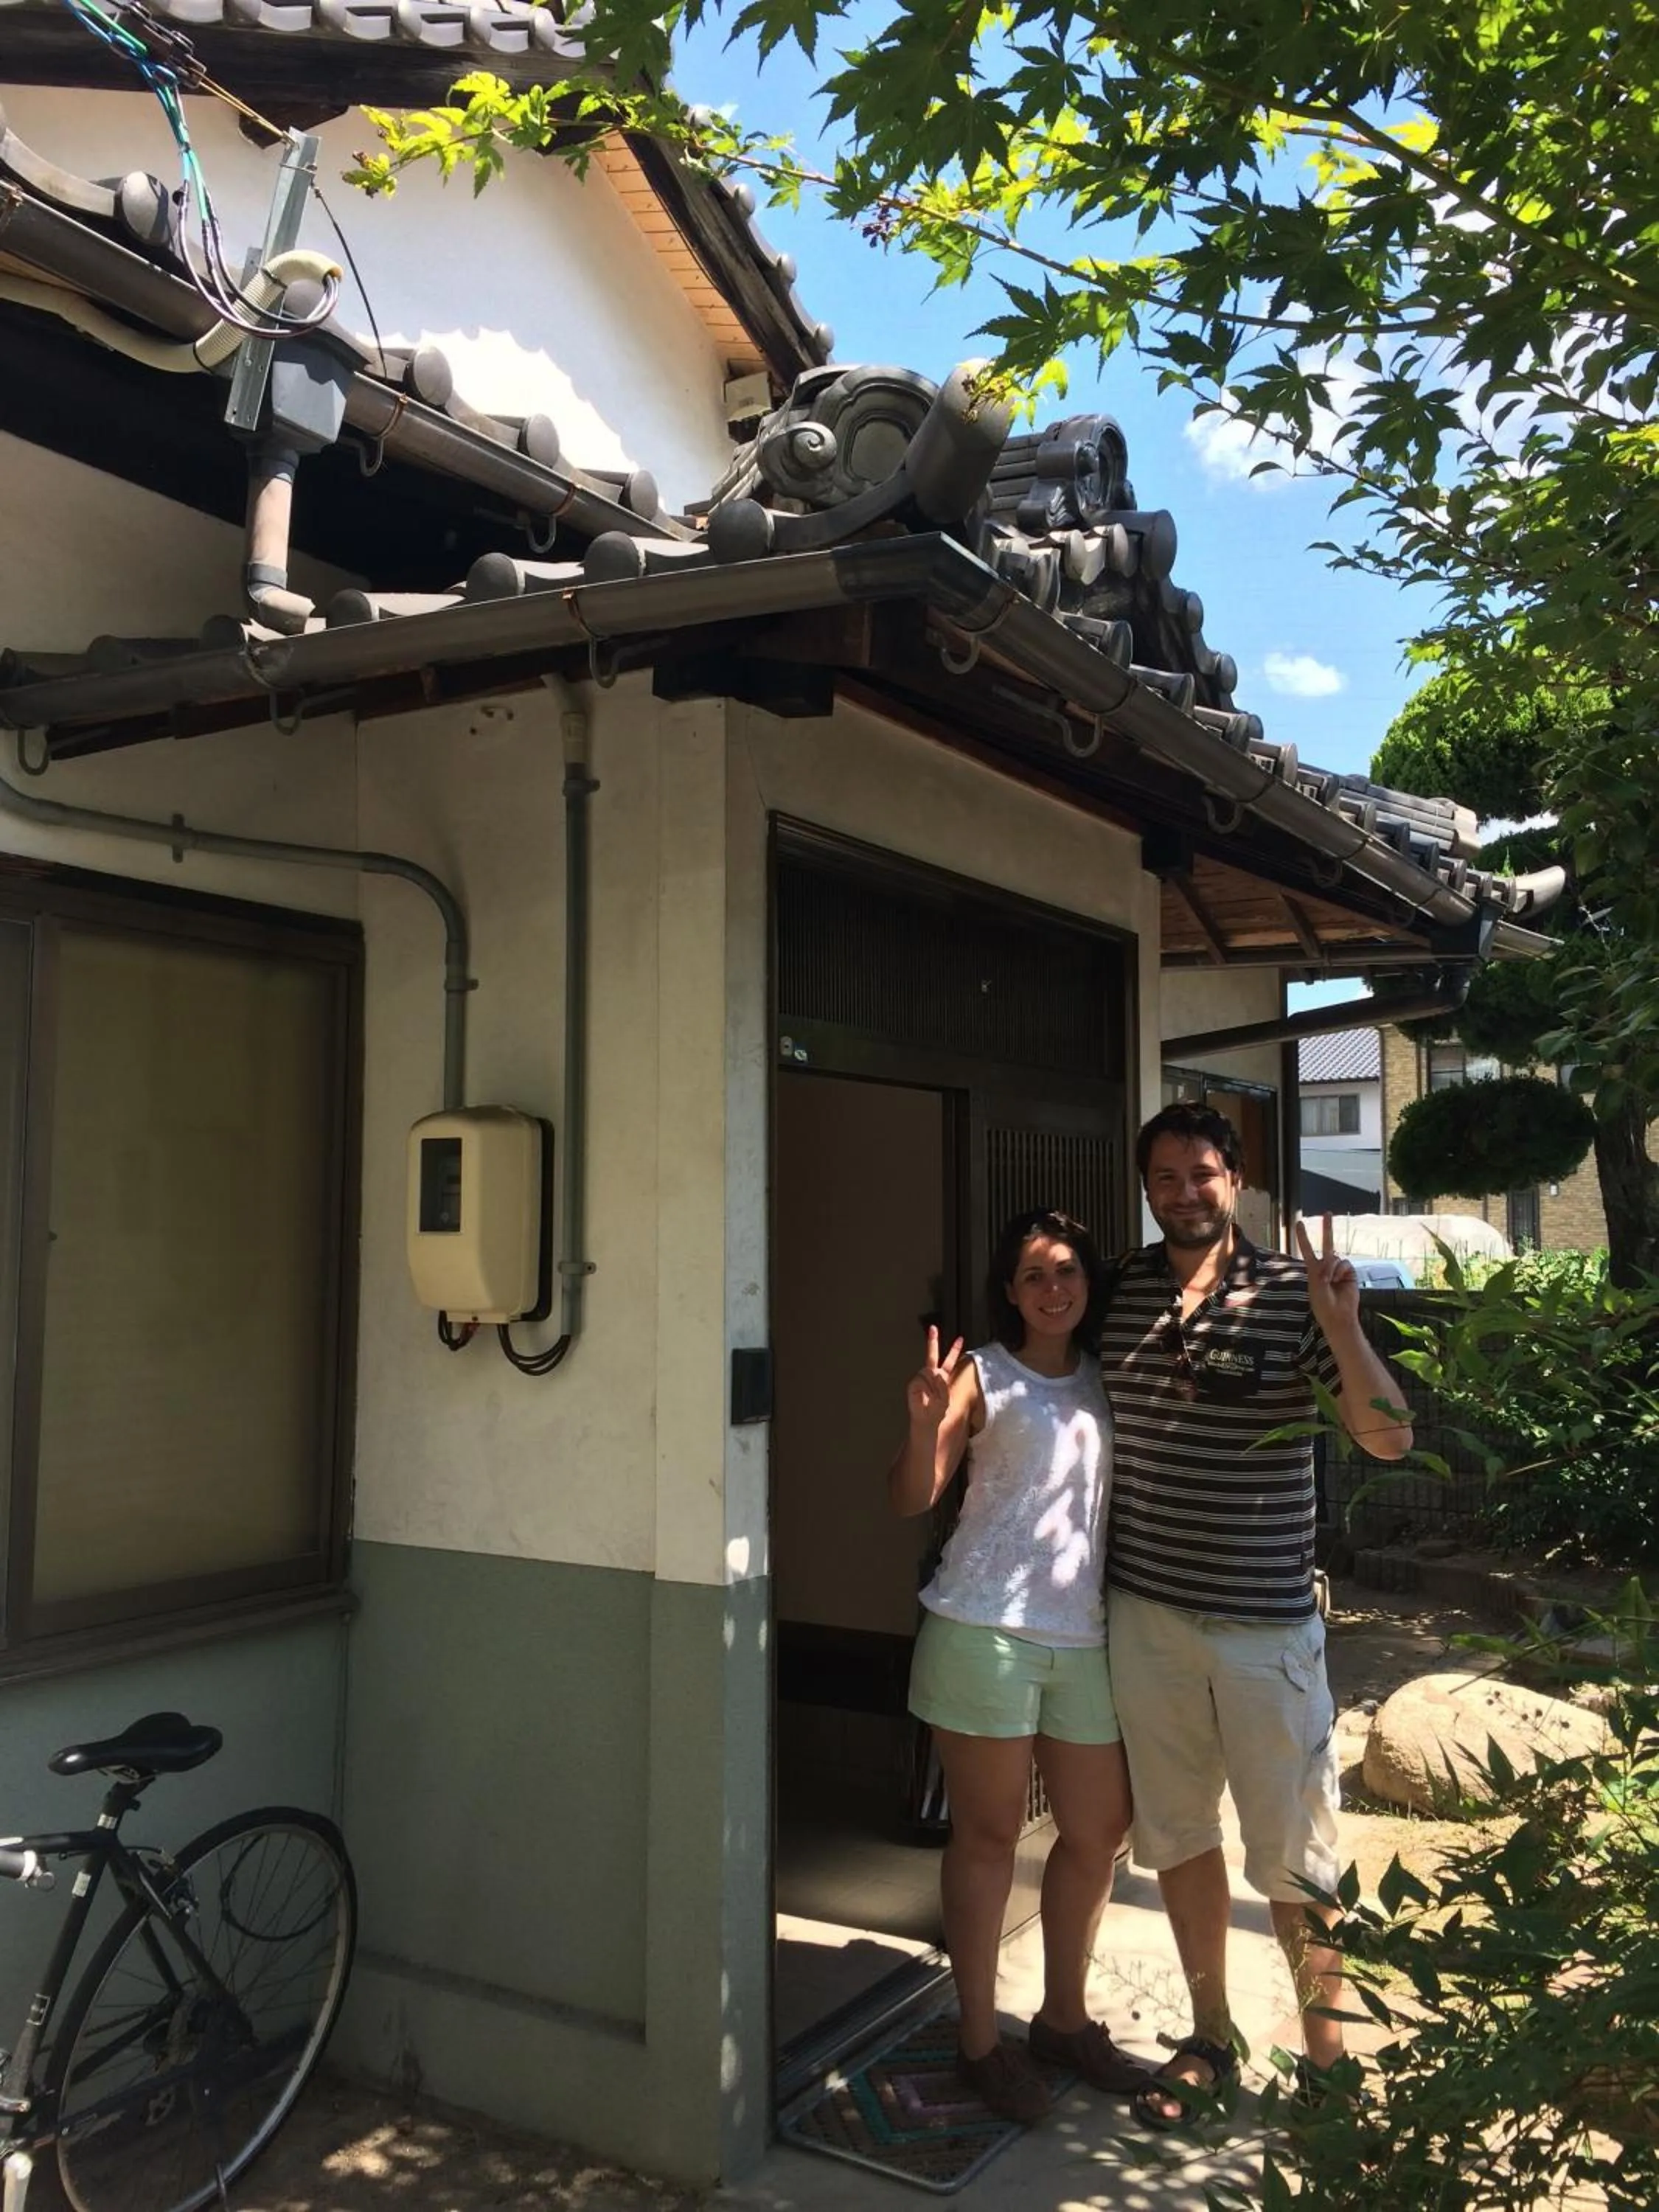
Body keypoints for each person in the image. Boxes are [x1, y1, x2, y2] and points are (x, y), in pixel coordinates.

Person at [1098, 1104, 1413, 2129]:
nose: (1182, 1192)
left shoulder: (1292, 1292)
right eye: (1164, 1176)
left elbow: (1390, 1440)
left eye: (1201, 1173)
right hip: (1145, 1615)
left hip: (1264, 1626)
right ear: (1146, 1186)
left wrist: (1342, 1326)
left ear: (1236, 1179)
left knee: (1294, 1858)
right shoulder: (1119, 1289)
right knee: (1179, 1835)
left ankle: (1328, 2067)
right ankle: (1209, 2036)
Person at [891, 1208, 1151, 2124]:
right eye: (1034, 1274)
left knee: (1099, 1829)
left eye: (1067, 1270)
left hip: (1082, 1634)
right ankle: (978, 2041)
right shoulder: (983, 1374)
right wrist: (924, 1423)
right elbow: (912, 1496)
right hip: (982, 1628)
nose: (1053, 1288)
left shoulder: (1106, 1378)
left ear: (1088, 1283)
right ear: (1010, 1290)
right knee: (990, 1836)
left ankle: (1063, 2020)